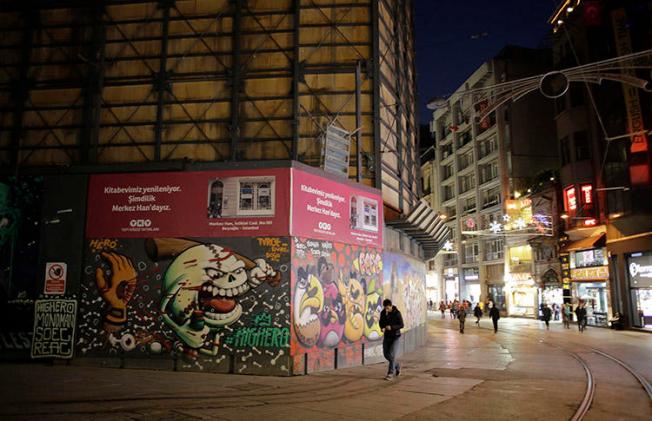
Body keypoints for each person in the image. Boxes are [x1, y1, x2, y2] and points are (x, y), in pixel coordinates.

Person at [379, 298, 404, 380]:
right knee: (386, 355)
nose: (386, 310)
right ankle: (397, 365)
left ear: (391, 306)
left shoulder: (397, 313)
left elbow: (401, 325)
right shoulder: (383, 313)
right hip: (387, 336)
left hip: (395, 337)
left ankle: (390, 373)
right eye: (385, 308)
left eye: (388, 308)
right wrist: (382, 327)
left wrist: (392, 327)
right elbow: (381, 322)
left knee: (392, 354)